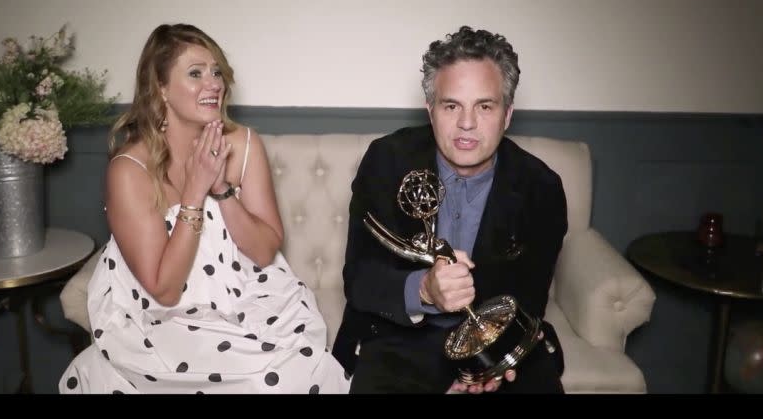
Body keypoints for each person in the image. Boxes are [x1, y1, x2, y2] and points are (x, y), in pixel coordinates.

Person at [59, 24, 350, 394]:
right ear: (160, 88)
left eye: (216, 72)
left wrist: (223, 190)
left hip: (247, 292)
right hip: (161, 313)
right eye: (195, 73)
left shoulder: (243, 143)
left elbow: (263, 252)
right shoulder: (129, 169)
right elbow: (164, 290)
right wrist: (194, 193)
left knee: (298, 371)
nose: (212, 83)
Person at [331, 25, 568, 394]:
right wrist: (423, 290)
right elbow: (360, 280)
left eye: (484, 106)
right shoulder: (386, 161)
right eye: (452, 105)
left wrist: (484, 368)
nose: (467, 123)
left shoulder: (541, 188)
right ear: (430, 111)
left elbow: (529, 296)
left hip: (499, 343)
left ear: (507, 115)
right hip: (398, 339)